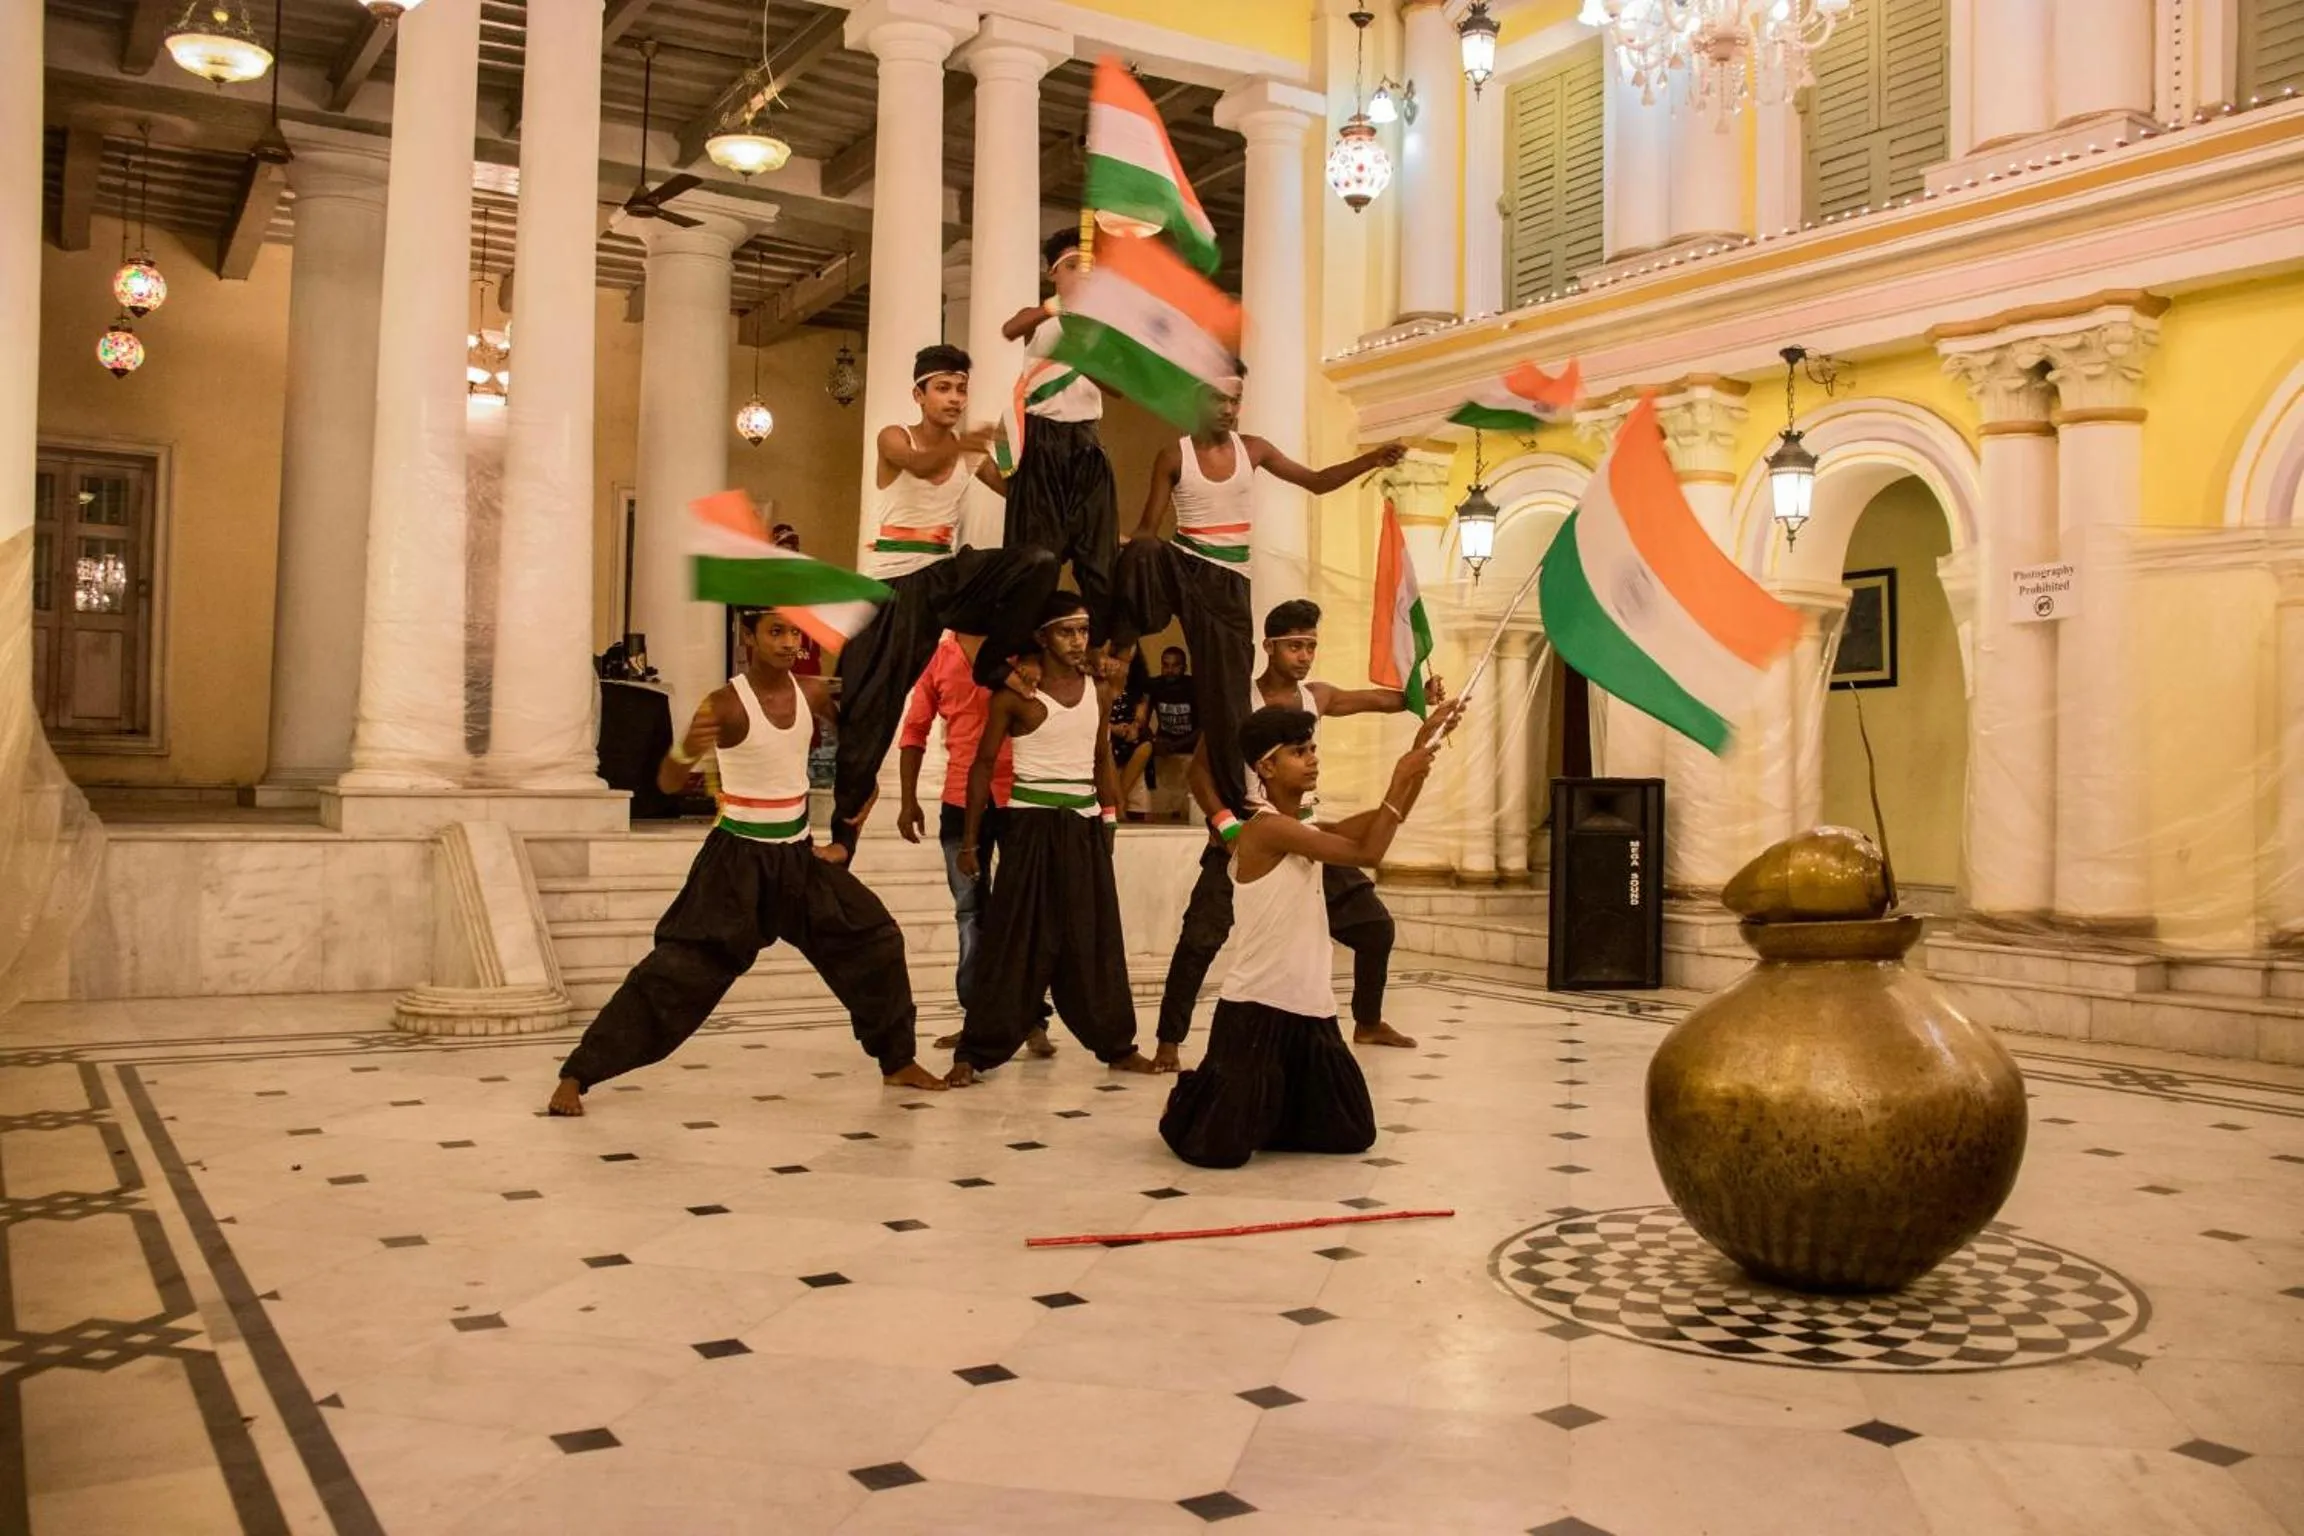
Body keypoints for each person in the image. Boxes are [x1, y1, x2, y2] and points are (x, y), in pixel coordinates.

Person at [547, 609, 946, 1116]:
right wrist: (690, 745)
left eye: (793, 632)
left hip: (798, 857)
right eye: (775, 631)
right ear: (748, 637)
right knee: (678, 971)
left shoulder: (814, 695)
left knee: (875, 940)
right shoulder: (725, 704)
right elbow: (669, 782)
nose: (787, 642)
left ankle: (897, 1061)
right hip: (736, 862)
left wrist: (847, 833)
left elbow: (858, 754)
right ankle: (578, 1074)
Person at [1159, 702, 1456, 1169]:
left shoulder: (1302, 828)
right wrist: (1402, 773)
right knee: (1218, 1149)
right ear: (1267, 767)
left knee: (1352, 1133)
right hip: (1255, 1009)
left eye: (1313, 748)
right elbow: (1371, 850)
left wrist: (1420, 752)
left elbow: (1381, 818)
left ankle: (1273, 1113)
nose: (1313, 758)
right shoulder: (1267, 830)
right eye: (1300, 751)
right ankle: (1196, 1101)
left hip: (1308, 1007)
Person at [1153, 599, 1446, 1069]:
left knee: (1375, 929)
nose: (1304, 656)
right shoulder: (1235, 699)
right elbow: (1199, 775)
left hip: (1308, 835)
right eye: (1295, 646)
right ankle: (1169, 1042)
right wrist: (1228, 828)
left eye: (1310, 646)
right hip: (1251, 835)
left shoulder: (1318, 696)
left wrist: (1421, 693)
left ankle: (1368, 1022)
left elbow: (1377, 700)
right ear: (1269, 647)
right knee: (1201, 939)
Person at [1108, 373, 1406, 815]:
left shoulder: (1255, 449)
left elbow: (1317, 481)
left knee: (1227, 702)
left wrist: (1373, 459)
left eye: (1236, 400)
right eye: (1218, 399)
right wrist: (1121, 543)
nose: (1229, 409)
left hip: (1228, 582)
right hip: (1185, 564)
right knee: (1145, 551)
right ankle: (1124, 644)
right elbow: (1150, 531)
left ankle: (1239, 803)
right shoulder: (1175, 454)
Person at [830, 344, 1061, 865]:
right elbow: (920, 462)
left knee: (1039, 560)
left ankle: (992, 659)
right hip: (893, 588)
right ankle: (843, 836)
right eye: (944, 388)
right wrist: (971, 445)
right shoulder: (896, 437)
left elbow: (1020, 496)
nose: (955, 398)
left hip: (945, 574)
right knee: (867, 717)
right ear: (919, 394)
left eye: (961, 388)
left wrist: (1051, 457)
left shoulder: (969, 452)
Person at [946, 592, 1162, 1085]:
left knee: (1095, 936)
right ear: (1041, 637)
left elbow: (1101, 756)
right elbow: (982, 766)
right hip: (1029, 827)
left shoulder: (1100, 690)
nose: (1078, 640)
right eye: (1066, 631)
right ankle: (975, 1050)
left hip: (1084, 825)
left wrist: (1109, 817)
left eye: (1083, 630)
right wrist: (970, 842)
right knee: (1013, 938)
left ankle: (1117, 1045)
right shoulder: (1015, 696)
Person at [896, 631, 1057, 1057]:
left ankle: (1031, 1018)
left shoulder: (1020, 645)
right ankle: (977, 1021)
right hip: (959, 799)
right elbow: (914, 730)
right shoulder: (938, 655)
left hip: (1022, 795)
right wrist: (908, 799)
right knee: (970, 912)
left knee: (1022, 911)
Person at [998, 228, 1119, 646]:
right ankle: (1026, 648)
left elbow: (1119, 387)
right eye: (1071, 267)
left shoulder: (1102, 325)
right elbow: (1011, 328)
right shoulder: (1044, 317)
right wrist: (1058, 307)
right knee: (1039, 557)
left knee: (1100, 560)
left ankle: (1099, 645)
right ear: (1054, 274)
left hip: (1086, 443)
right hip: (1043, 442)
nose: (1082, 275)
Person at [1109, 648, 1155, 812]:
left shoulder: (1139, 682)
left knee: (1145, 742)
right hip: (1106, 728)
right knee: (1105, 741)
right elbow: (1092, 714)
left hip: (1128, 729)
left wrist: (1134, 727)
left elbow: (1141, 714)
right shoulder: (1101, 676)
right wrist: (1112, 728)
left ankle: (1119, 796)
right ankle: (1119, 802)